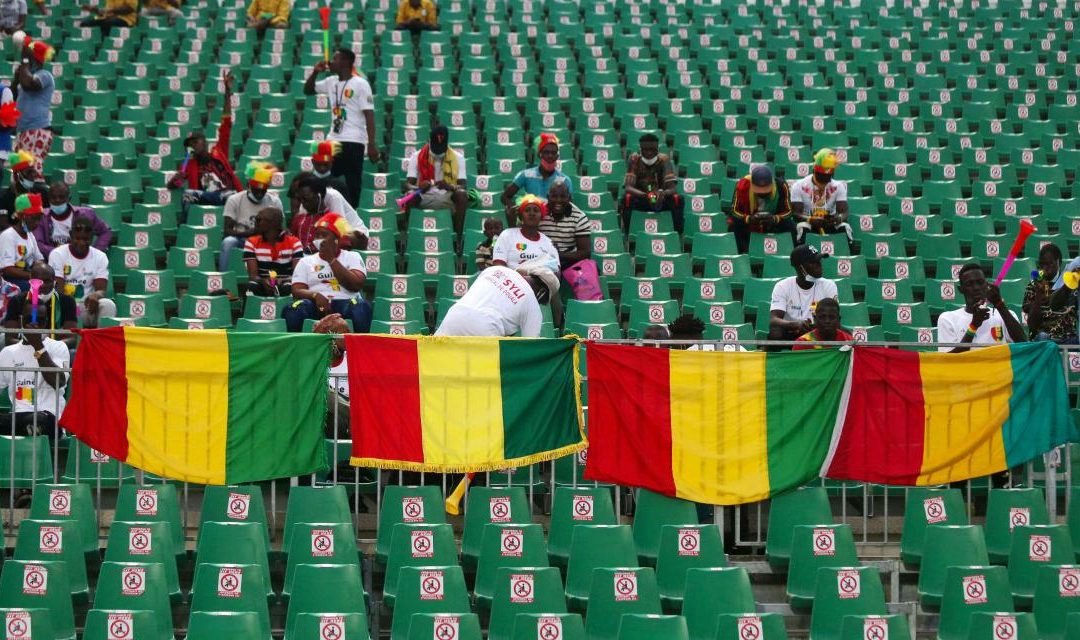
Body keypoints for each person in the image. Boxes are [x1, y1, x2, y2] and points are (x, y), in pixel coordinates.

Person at [303, 48, 379, 208]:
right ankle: (322, 208)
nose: (331, 61)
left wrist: (371, 144)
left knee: (353, 184)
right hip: (333, 141)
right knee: (323, 178)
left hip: (354, 141)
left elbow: (369, 115)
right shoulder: (331, 82)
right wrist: (315, 72)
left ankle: (352, 214)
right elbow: (308, 90)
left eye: (335, 59)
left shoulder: (361, 84)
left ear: (345, 62)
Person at [167, 71, 242, 223]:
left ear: (204, 142)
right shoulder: (189, 164)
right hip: (205, 199)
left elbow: (226, 124)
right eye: (190, 145)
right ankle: (189, 226)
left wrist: (227, 94)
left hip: (226, 194)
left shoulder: (218, 152)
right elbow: (175, 185)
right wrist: (175, 179)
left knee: (230, 195)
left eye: (195, 142)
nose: (193, 146)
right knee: (187, 194)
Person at [283, 213, 372, 333]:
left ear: (336, 239)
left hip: (345, 303)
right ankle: (297, 349)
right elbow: (297, 290)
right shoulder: (306, 261)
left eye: (324, 235)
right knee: (293, 309)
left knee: (361, 307)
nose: (319, 239)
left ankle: (360, 349)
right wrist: (315, 296)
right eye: (317, 235)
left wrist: (331, 259)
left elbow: (356, 285)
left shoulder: (353, 256)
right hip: (316, 305)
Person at [0, 295, 69, 436]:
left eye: (40, 321)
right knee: (26, 421)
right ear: (20, 320)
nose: (34, 325)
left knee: (38, 420)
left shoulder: (58, 347)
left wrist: (38, 345)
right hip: (18, 417)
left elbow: (59, 382)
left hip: (48, 418)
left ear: (46, 323)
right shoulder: (8, 352)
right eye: (28, 320)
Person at [435, 261, 556, 337]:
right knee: (481, 376)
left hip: (454, 315)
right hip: (485, 330)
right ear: (541, 292)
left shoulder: (495, 270)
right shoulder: (532, 302)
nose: (539, 303)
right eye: (542, 300)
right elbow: (531, 345)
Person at [937, 263, 1027, 353]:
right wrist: (973, 326)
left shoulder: (1006, 315)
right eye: (969, 284)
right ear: (961, 289)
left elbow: (1024, 344)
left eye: (980, 283)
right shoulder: (947, 319)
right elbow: (948, 360)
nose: (976, 287)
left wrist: (1000, 305)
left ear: (986, 285)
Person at [47, 215, 114, 328]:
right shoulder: (57, 254)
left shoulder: (100, 257)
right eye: (77, 238)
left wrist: (96, 296)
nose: (81, 243)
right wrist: (72, 306)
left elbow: (101, 290)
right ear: (71, 235)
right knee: (59, 304)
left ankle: (102, 342)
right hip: (64, 306)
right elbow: (58, 290)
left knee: (108, 305)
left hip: (86, 307)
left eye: (85, 239)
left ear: (92, 238)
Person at [768, 245, 838, 348]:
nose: (819, 265)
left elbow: (833, 317)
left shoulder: (829, 285)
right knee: (775, 331)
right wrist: (794, 324)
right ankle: (776, 362)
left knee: (839, 331)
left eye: (819, 261)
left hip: (819, 331)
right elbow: (774, 319)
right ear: (800, 267)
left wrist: (815, 326)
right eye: (813, 262)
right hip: (792, 331)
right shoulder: (782, 286)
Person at [403, 125, 468, 232]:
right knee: (410, 195)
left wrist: (449, 186)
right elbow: (407, 185)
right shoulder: (417, 156)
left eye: (441, 148)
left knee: (462, 194)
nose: (438, 152)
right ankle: (410, 235)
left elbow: (463, 185)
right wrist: (418, 187)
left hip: (447, 197)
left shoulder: (458, 158)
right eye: (435, 148)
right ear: (429, 141)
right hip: (424, 196)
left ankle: (458, 239)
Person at [220, 161, 283, 270]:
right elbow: (227, 231)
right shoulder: (234, 200)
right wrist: (248, 233)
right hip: (241, 239)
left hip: (266, 240)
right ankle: (224, 276)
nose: (259, 194)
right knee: (228, 242)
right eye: (256, 190)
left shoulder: (274, 202)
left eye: (263, 191)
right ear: (249, 186)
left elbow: (280, 229)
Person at [501, 133, 573, 225]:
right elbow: (505, 197)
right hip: (530, 221)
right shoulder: (526, 174)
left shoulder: (564, 180)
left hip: (552, 223)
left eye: (553, 153)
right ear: (540, 154)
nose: (550, 156)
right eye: (546, 152)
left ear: (557, 156)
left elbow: (569, 205)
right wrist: (518, 210)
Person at [621, 133, 684, 232]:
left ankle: (676, 233)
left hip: (660, 199)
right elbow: (628, 187)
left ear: (657, 149)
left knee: (678, 199)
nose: (649, 153)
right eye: (646, 150)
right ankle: (629, 232)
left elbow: (672, 189)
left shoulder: (664, 159)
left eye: (652, 149)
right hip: (641, 198)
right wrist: (644, 195)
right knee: (626, 198)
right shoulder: (634, 159)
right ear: (641, 149)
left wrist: (662, 193)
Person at [3, 261, 77, 346]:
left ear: (54, 282)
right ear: (30, 280)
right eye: (38, 281)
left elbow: (72, 339)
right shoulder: (17, 301)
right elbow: (9, 339)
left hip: (55, 351)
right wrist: (32, 346)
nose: (43, 285)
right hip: (24, 350)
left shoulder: (67, 301)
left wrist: (47, 347)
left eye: (47, 281)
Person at [791, 148, 852, 249]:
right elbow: (796, 213)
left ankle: (844, 254)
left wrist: (838, 218)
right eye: (820, 179)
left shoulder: (838, 186)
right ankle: (806, 256)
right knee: (802, 226)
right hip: (809, 222)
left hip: (829, 223)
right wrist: (810, 219)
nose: (822, 184)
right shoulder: (799, 185)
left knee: (845, 227)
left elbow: (844, 211)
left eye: (826, 180)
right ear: (814, 171)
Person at [289, 175, 368, 252]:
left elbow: (340, 227)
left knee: (337, 237)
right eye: (300, 199)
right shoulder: (305, 200)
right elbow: (300, 223)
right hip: (335, 229)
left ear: (318, 195)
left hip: (354, 232)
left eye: (306, 199)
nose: (303, 203)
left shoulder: (333, 196)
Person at [33, 181, 112, 258]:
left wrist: (94, 252)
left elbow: (105, 231)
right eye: (53, 197)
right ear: (48, 199)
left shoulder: (86, 214)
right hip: (53, 261)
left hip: (81, 259)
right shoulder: (42, 216)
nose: (57, 200)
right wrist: (60, 254)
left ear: (69, 198)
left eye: (61, 197)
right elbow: (38, 243)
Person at [729, 165, 794, 254]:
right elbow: (733, 211)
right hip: (750, 223)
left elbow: (789, 211)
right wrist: (749, 219)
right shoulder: (742, 186)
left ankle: (787, 253)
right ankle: (743, 253)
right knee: (734, 225)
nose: (762, 194)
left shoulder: (781, 186)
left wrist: (775, 219)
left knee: (790, 225)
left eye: (765, 192)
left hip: (773, 223)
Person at [13, 38, 54, 173]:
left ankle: (37, 194)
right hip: (23, 131)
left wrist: (24, 61)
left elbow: (29, 85)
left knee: (31, 172)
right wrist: (16, 77)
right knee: (19, 173)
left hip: (37, 130)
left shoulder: (45, 75)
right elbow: (13, 95)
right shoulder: (27, 75)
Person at [242, 207, 302, 297]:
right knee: (251, 286)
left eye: (259, 220)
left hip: (286, 282)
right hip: (262, 283)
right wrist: (263, 281)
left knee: (289, 287)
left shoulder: (294, 242)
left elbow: (297, 275)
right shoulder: (251, 242)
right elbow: (253, 276)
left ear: (272, 223)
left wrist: (282, 280)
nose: (255, 223)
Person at [1024, 244, 1076, 343]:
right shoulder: (1033, 285)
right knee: (1043, 337)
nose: (1044, 268)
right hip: (1044, 338)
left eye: (1049, 264)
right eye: (1041, 264)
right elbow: (1032, 325)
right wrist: (1039, 294)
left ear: (1059, 262)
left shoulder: (1069, 283)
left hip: (1068, 337)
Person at [492, 194, 559, 270]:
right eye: (527, 210)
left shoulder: (549, 243)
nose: (532, 213)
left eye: (536, 210)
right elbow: (498, 267)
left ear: (541, 216)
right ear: (520, 216)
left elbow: (556, 272)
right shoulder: (506, 235)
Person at [540, 179, 590, 270]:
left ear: (569, 198)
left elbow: (585, 252)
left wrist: (558, 255)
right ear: (548, 197)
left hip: (568, 260)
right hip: (542, 260)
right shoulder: (539, 213)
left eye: (563, 196)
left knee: (590, 267)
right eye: (554, 196)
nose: (558, 200)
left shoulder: (579, 217)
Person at [0, 193, 43, 290]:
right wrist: (33, 276)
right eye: (33, 218)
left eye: (39, 218)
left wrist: (42, 270)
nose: (37, 222)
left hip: (27, 276)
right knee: (35, 288)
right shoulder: (8, 236)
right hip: (10, 281)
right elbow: (7, 270)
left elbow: (39, 259)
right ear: (20, 216)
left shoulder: (30, 235)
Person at [0, 150, 46, 221]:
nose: (33, 175)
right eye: (29, 172)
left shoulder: (41, 193)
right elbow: (3, 224)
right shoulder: (4, 196)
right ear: (16, 175)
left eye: (33, 172)